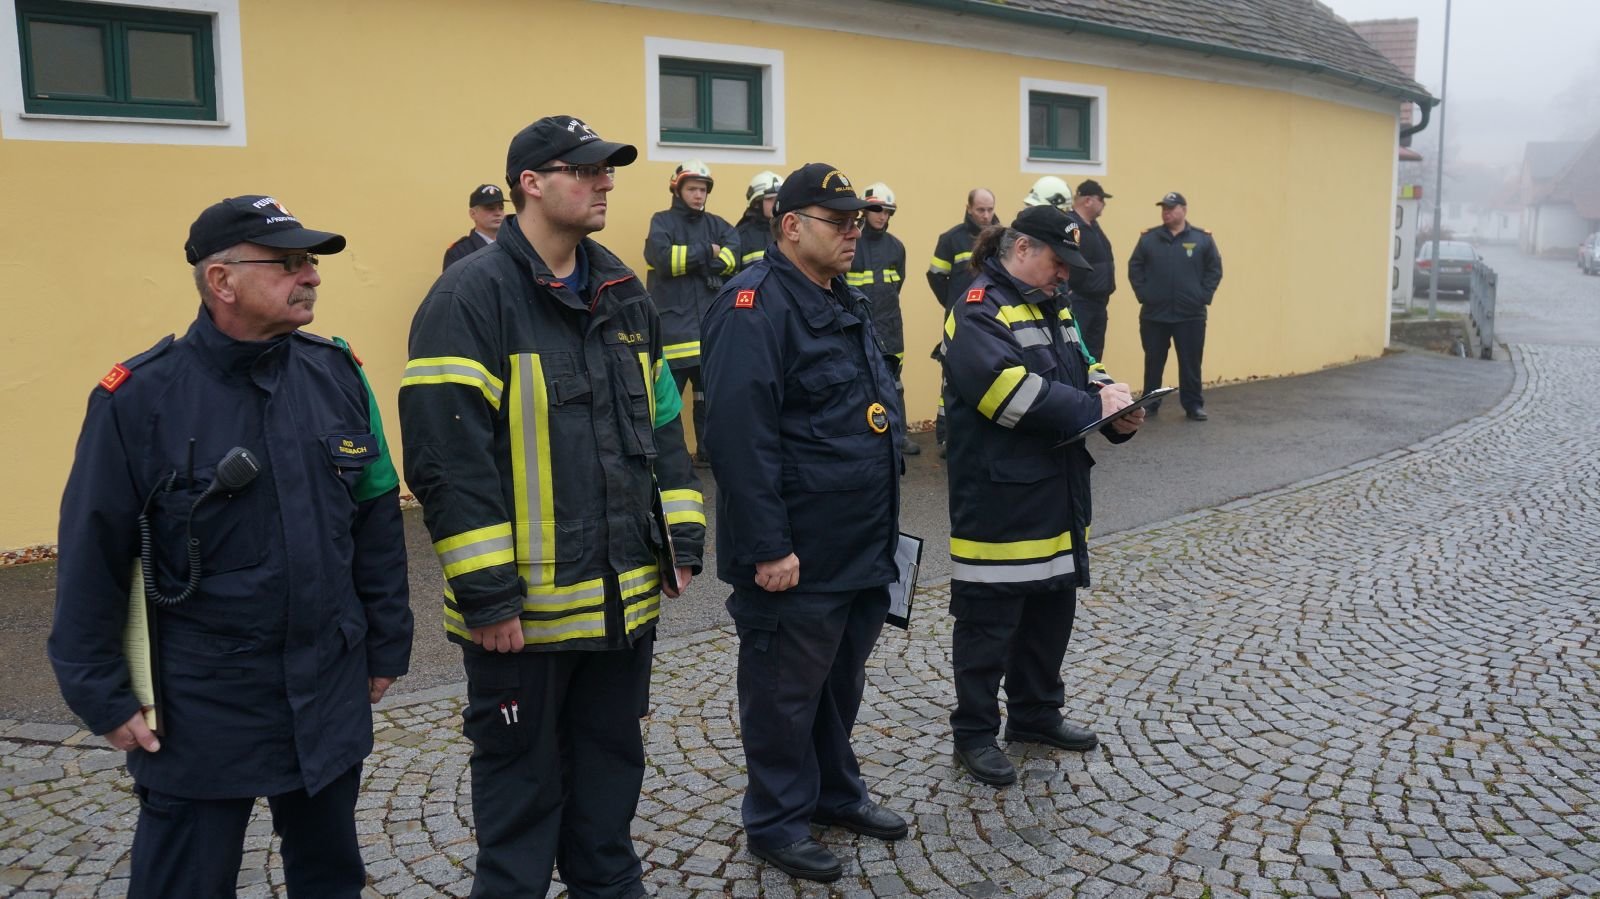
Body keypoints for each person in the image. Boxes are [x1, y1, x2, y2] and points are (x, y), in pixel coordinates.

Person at [49, 195, 413, 897]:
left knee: (331, 877)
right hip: (201, 703)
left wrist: (386, 641)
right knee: (184, 881)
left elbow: (375, 518)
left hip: (326, 685)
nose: (311, 276)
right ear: (222, 280)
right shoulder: (139, 399)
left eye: (311, 262)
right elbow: (94, 551)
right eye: (289, 263)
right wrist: (100, 691)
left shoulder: (337, 374)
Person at [399, 115, 706, 898]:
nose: (605, 182)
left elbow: (663, 425)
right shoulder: (469, 296)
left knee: (610, 779)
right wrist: (490, 596)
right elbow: (446, 462)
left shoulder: (622, 292)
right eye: (586, 169)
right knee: (521, 798)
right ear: (530, 183)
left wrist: (680, 537)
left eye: (609, 170)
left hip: (621, 603)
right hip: (523, 623)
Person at [702, 162, 907, 883]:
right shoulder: (753, 307)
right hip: (796, 553)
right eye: (838, 221)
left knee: (837, 683)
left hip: (857, 542)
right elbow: (738, 438)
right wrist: (768, 546)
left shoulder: (839, 297)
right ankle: (777, 819)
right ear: (790, 226)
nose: (855, 232)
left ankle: (833, 792)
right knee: (783, 694)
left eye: (857, 220)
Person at [941, 205, 1142, 788]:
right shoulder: (977, 308)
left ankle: (1035, 714)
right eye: (1059, 261)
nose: (1065, 275)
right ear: (1023, 248)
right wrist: (1093, 406)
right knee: (988, 623)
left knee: (1050, 613)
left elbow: (1084, 368)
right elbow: (1004, 393)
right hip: (999, 501)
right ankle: (974, 733)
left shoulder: (1055, 304)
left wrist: (1116, 406)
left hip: (1056, 493)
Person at [643, 159, 739, 466]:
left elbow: (732, 259)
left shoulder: (719, 225)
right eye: (692, 189)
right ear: (677, 189)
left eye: (703, 190)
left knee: (707, 399)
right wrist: (708, 251)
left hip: (709, 332)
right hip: (673, 334)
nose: (699, 195)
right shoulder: (662, 222)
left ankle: (707, 456)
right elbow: (664, 261)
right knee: (666, 403)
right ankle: (664, 462)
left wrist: (691, 259)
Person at [1127, 191, 1223, 420]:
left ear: (1184, 210)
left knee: (1191, 363)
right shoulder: (1149, 239)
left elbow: (1214, 269)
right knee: (1153, 361)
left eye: (1171, 208)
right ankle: (1150, 403)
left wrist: (1202, 296)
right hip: (1154, 314)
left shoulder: (1202, 239)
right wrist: (1144, 294)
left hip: (1190, 314)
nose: (1166, 212)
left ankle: (1193, 405)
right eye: (1164, 209)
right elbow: (1135, 267)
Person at [849, 181, 918, 455]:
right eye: (877, 209)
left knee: (894, 381)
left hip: (890, 324)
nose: (882, 216)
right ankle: (861, 437)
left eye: (887, 211)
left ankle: (899, 437)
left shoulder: (896, 247)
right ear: (865, 211)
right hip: (857, 322)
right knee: (857, 381)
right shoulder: (851, 242)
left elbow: (896, 285)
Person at [927, 187, 997, 455]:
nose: (986, 215)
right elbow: (935, 275)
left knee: (991, 373)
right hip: (958, 319)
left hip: (993, 318)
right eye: (980, 210)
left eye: (989, 209)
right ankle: (947, 436)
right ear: (968, 208)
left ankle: (985, 435)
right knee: (953, 376)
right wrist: (953, 302)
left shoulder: (1002, 238)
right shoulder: (951, 240)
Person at [1063, 179, 1117, 362]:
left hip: (1098, 303)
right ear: (1088, 200)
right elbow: (1067, 258)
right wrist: (1069, 290)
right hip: (1081, 302)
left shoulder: (1092, 225)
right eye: (1101, 199)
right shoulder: (1072, 225)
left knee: (1094, 354)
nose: (1104, 204)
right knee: (1078, 352)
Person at [442, 183, 508, 271]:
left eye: (501, 208)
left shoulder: (511, 246)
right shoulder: (459, 252)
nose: (498, 213)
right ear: (473, 213)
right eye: (490, 208)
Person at [736, 170, 783, 270]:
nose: (775, 204)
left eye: (778, 198)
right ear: (757, 203)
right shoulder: (741, 236)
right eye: (770, 199)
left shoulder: (789, 231)